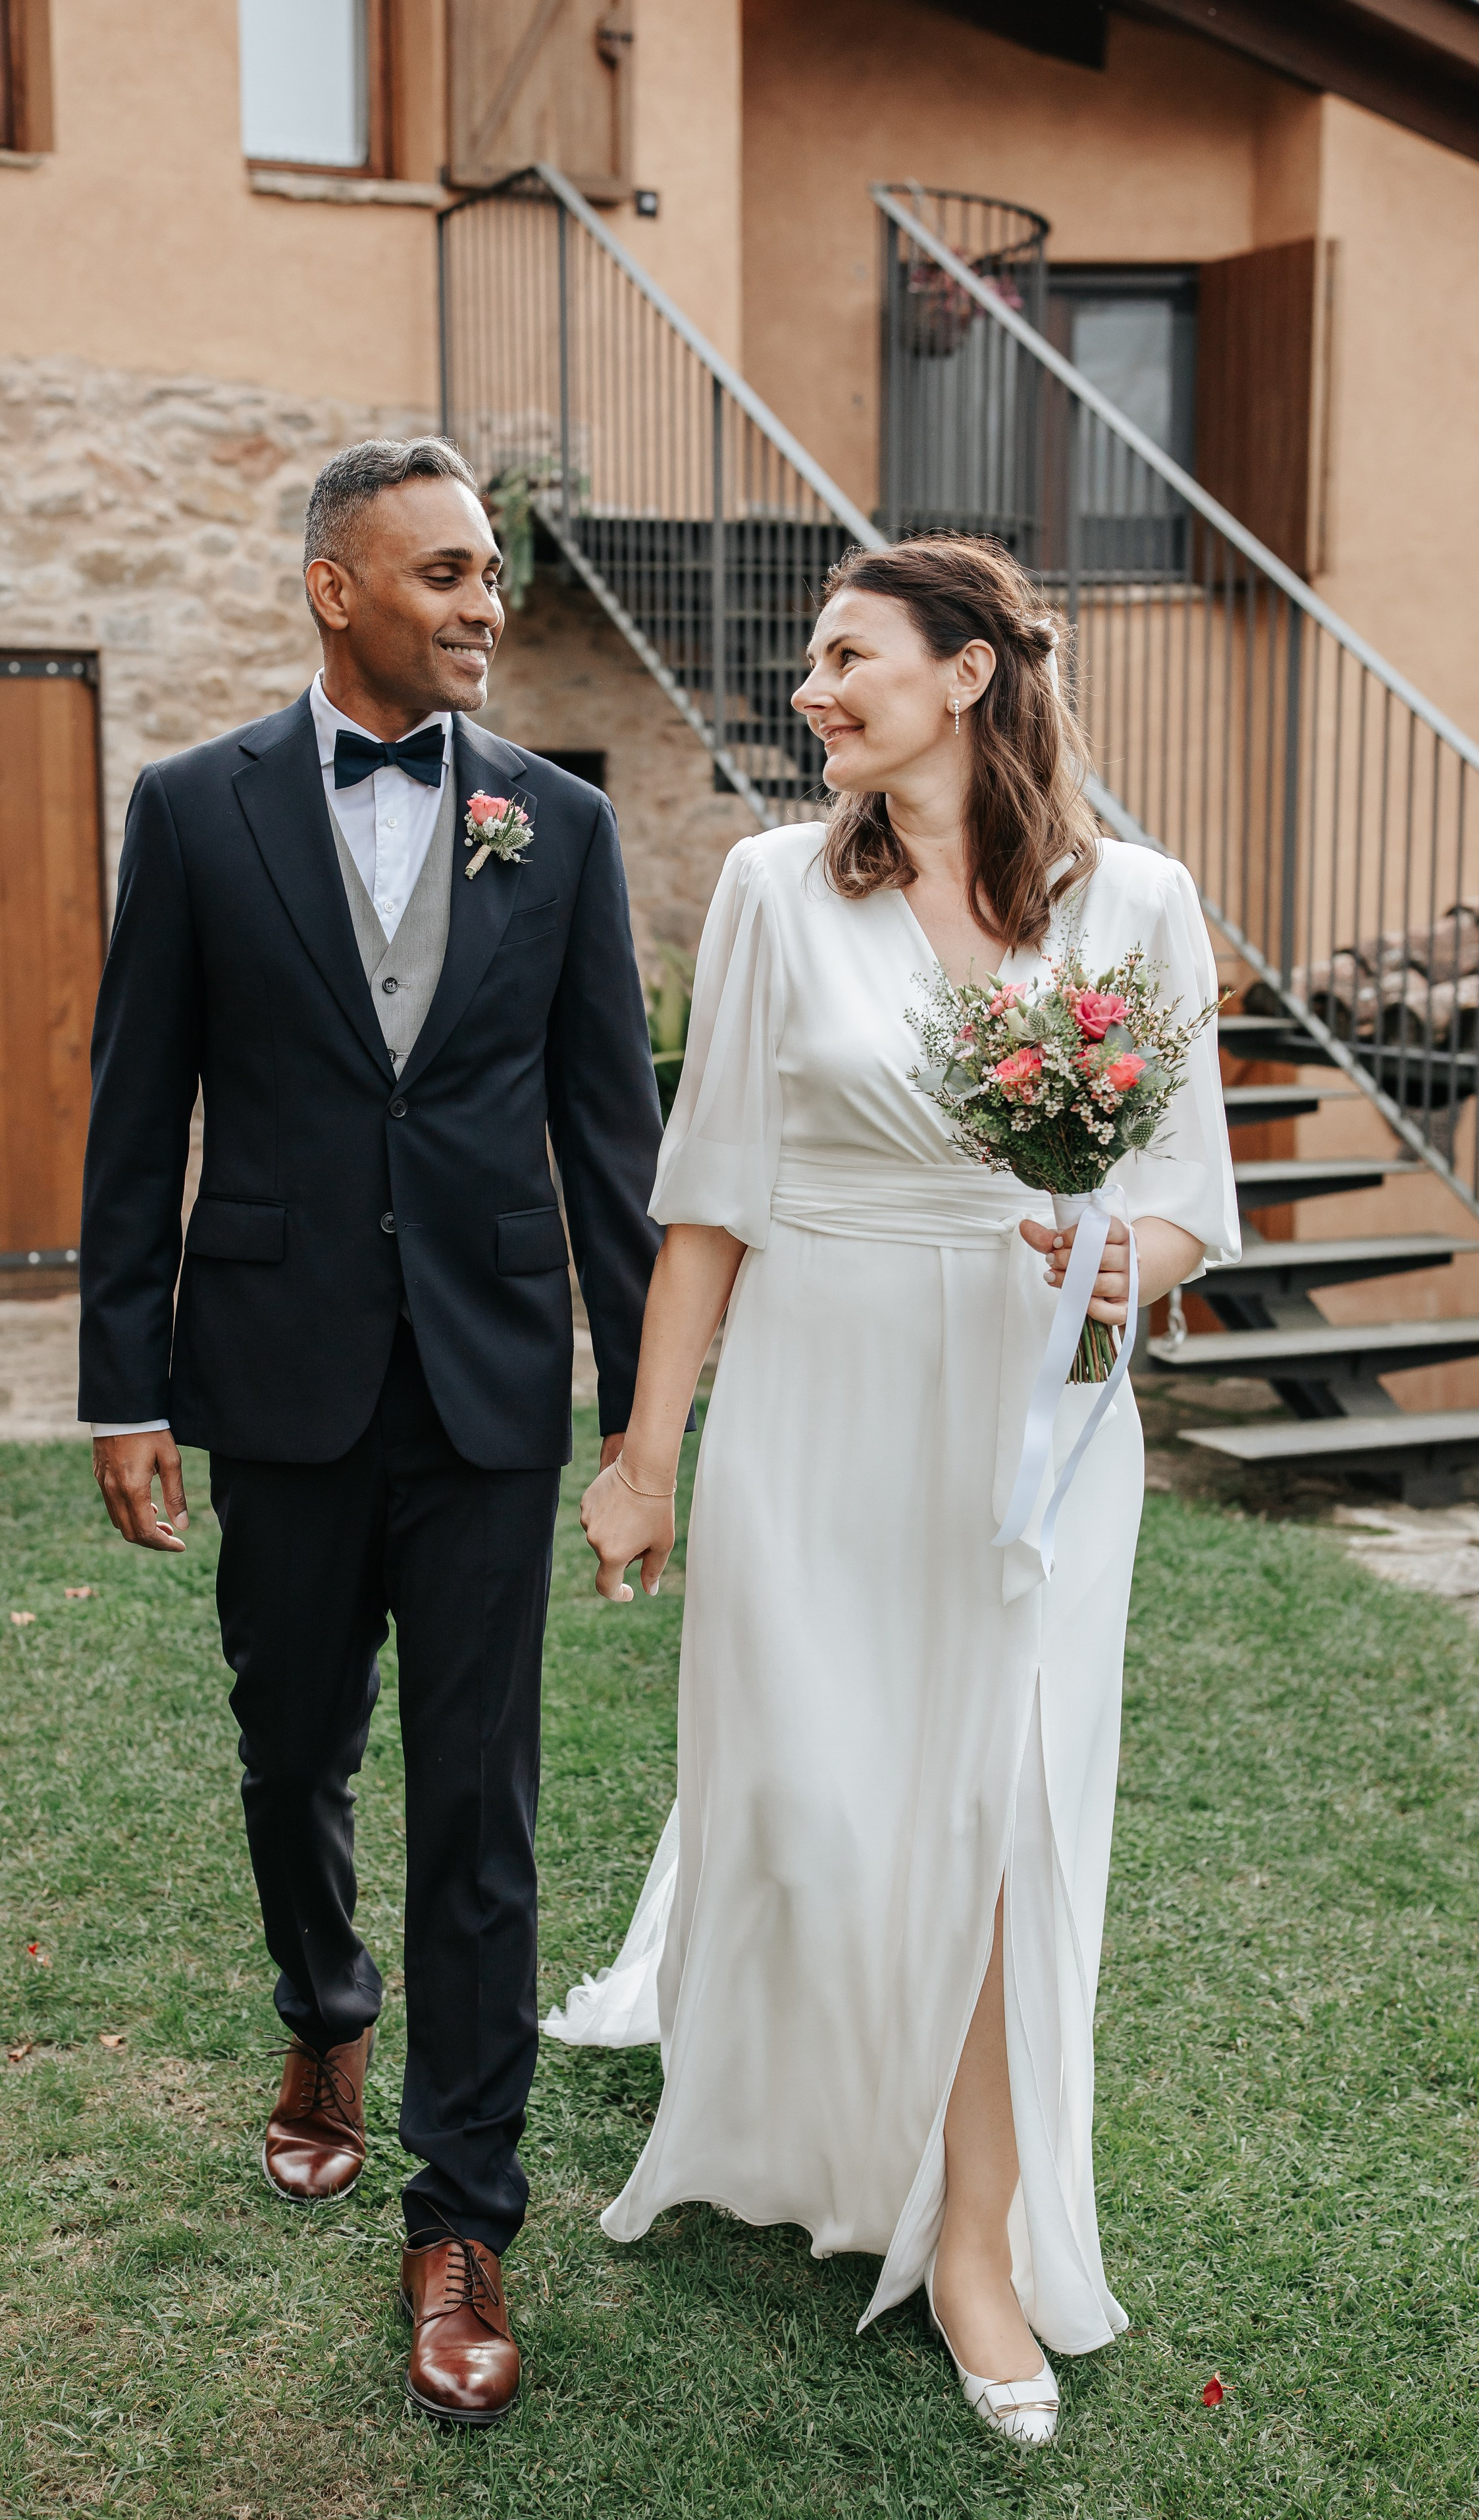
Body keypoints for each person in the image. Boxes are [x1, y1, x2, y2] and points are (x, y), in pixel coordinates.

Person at [565, 534, 1239, 2446]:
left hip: (1030, 1410)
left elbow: (1189, 1186)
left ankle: (975, 2236)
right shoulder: (779, 887)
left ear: (966, 674)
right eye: (806, 663)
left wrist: (1138, 1260)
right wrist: (644, 1452)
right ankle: (811, 2110)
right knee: (806, 1791)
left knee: (996, 1808)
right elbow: (706, 1201)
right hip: (819, 1381)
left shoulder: (1144, 907)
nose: (812, 690)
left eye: (847, 657)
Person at [78, 436, 664, 2428]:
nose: (486, 600)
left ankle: (462, 2211)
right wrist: (121, 1377)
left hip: (493, 1386)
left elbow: (611, 1136)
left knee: (478, 1804)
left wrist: (642, 1418)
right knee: (293, 1743)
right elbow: (132, 1101)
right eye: (443, 572)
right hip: (282, 1372)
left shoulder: (560, 826)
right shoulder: (193, 809)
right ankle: (324, 2014)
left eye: (492, 567)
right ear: (336, 590)